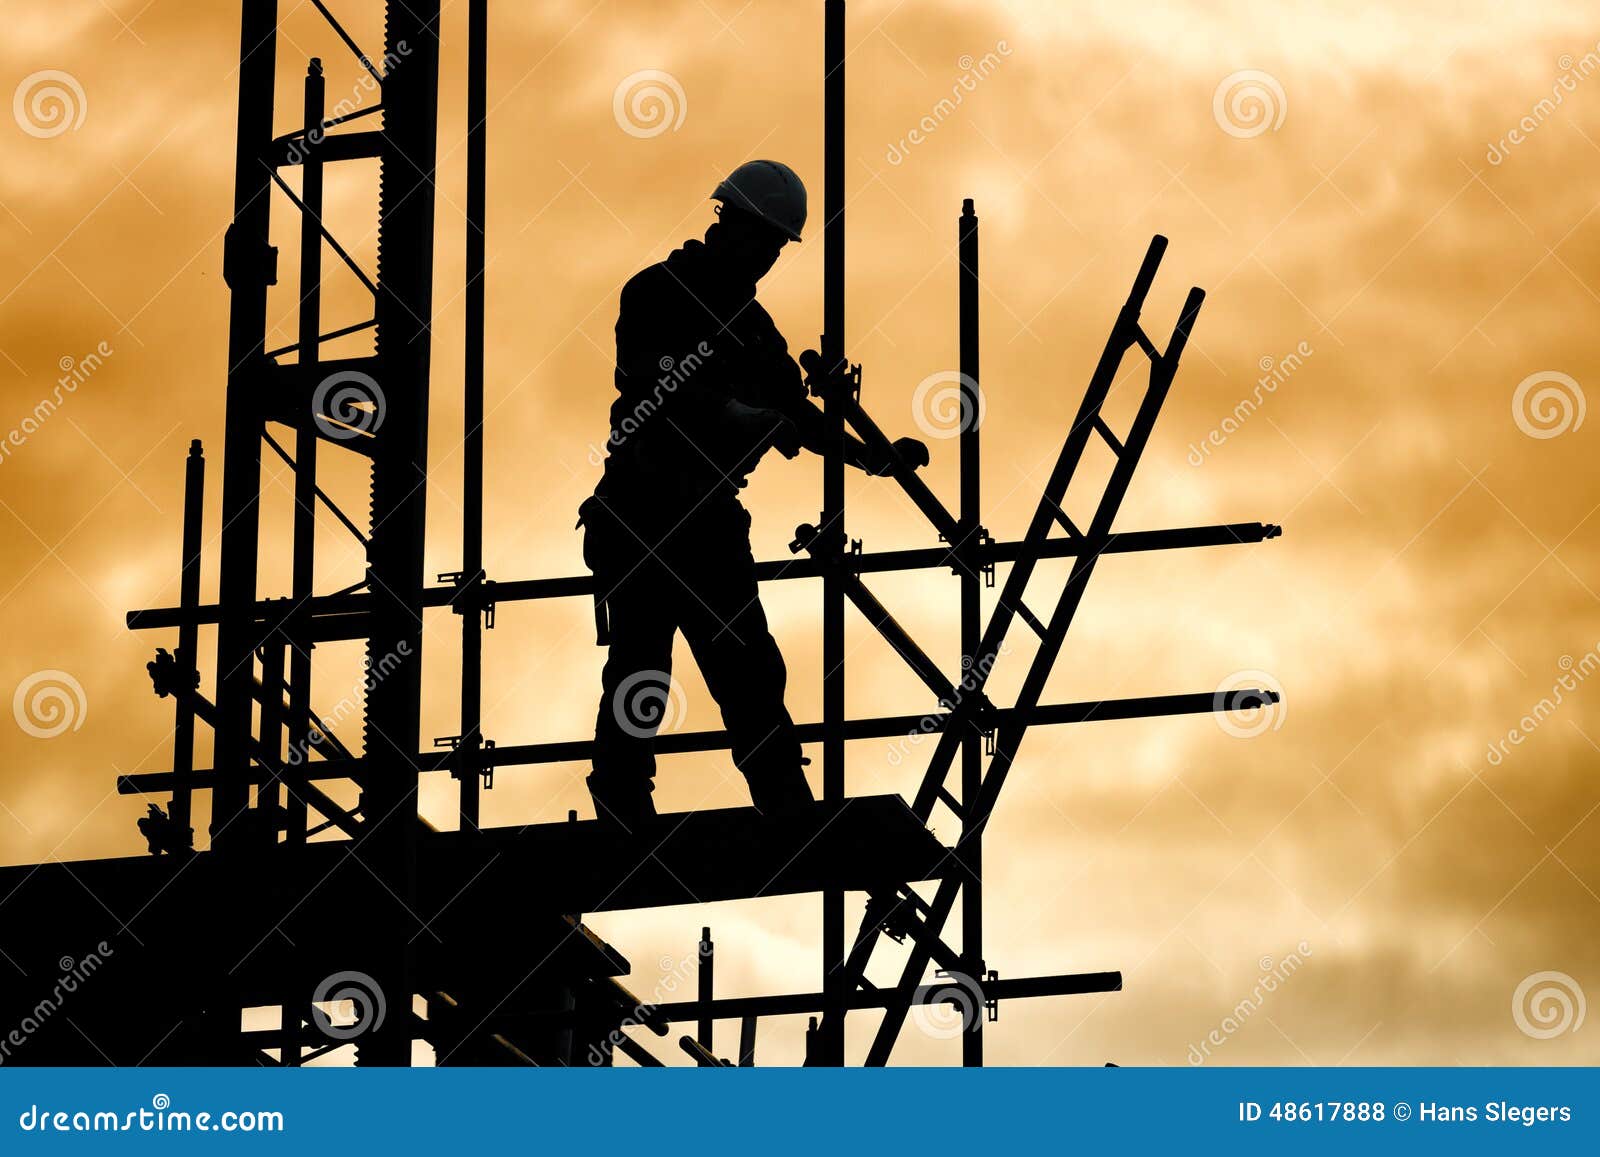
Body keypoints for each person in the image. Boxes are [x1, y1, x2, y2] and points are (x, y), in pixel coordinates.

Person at [578, 159, 930, 828]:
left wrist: (871, 458)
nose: (767, 256)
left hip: (706, 517)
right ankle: (621, 800)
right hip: (643, 508)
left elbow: (797, 418)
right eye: (762, 239)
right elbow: (653, 378)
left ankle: (782, 802)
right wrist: (735, 416)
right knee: (641, 667)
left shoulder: (758, 332)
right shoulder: (657, 292)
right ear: (728, 224)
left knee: (749, 668)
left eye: (776, 246)